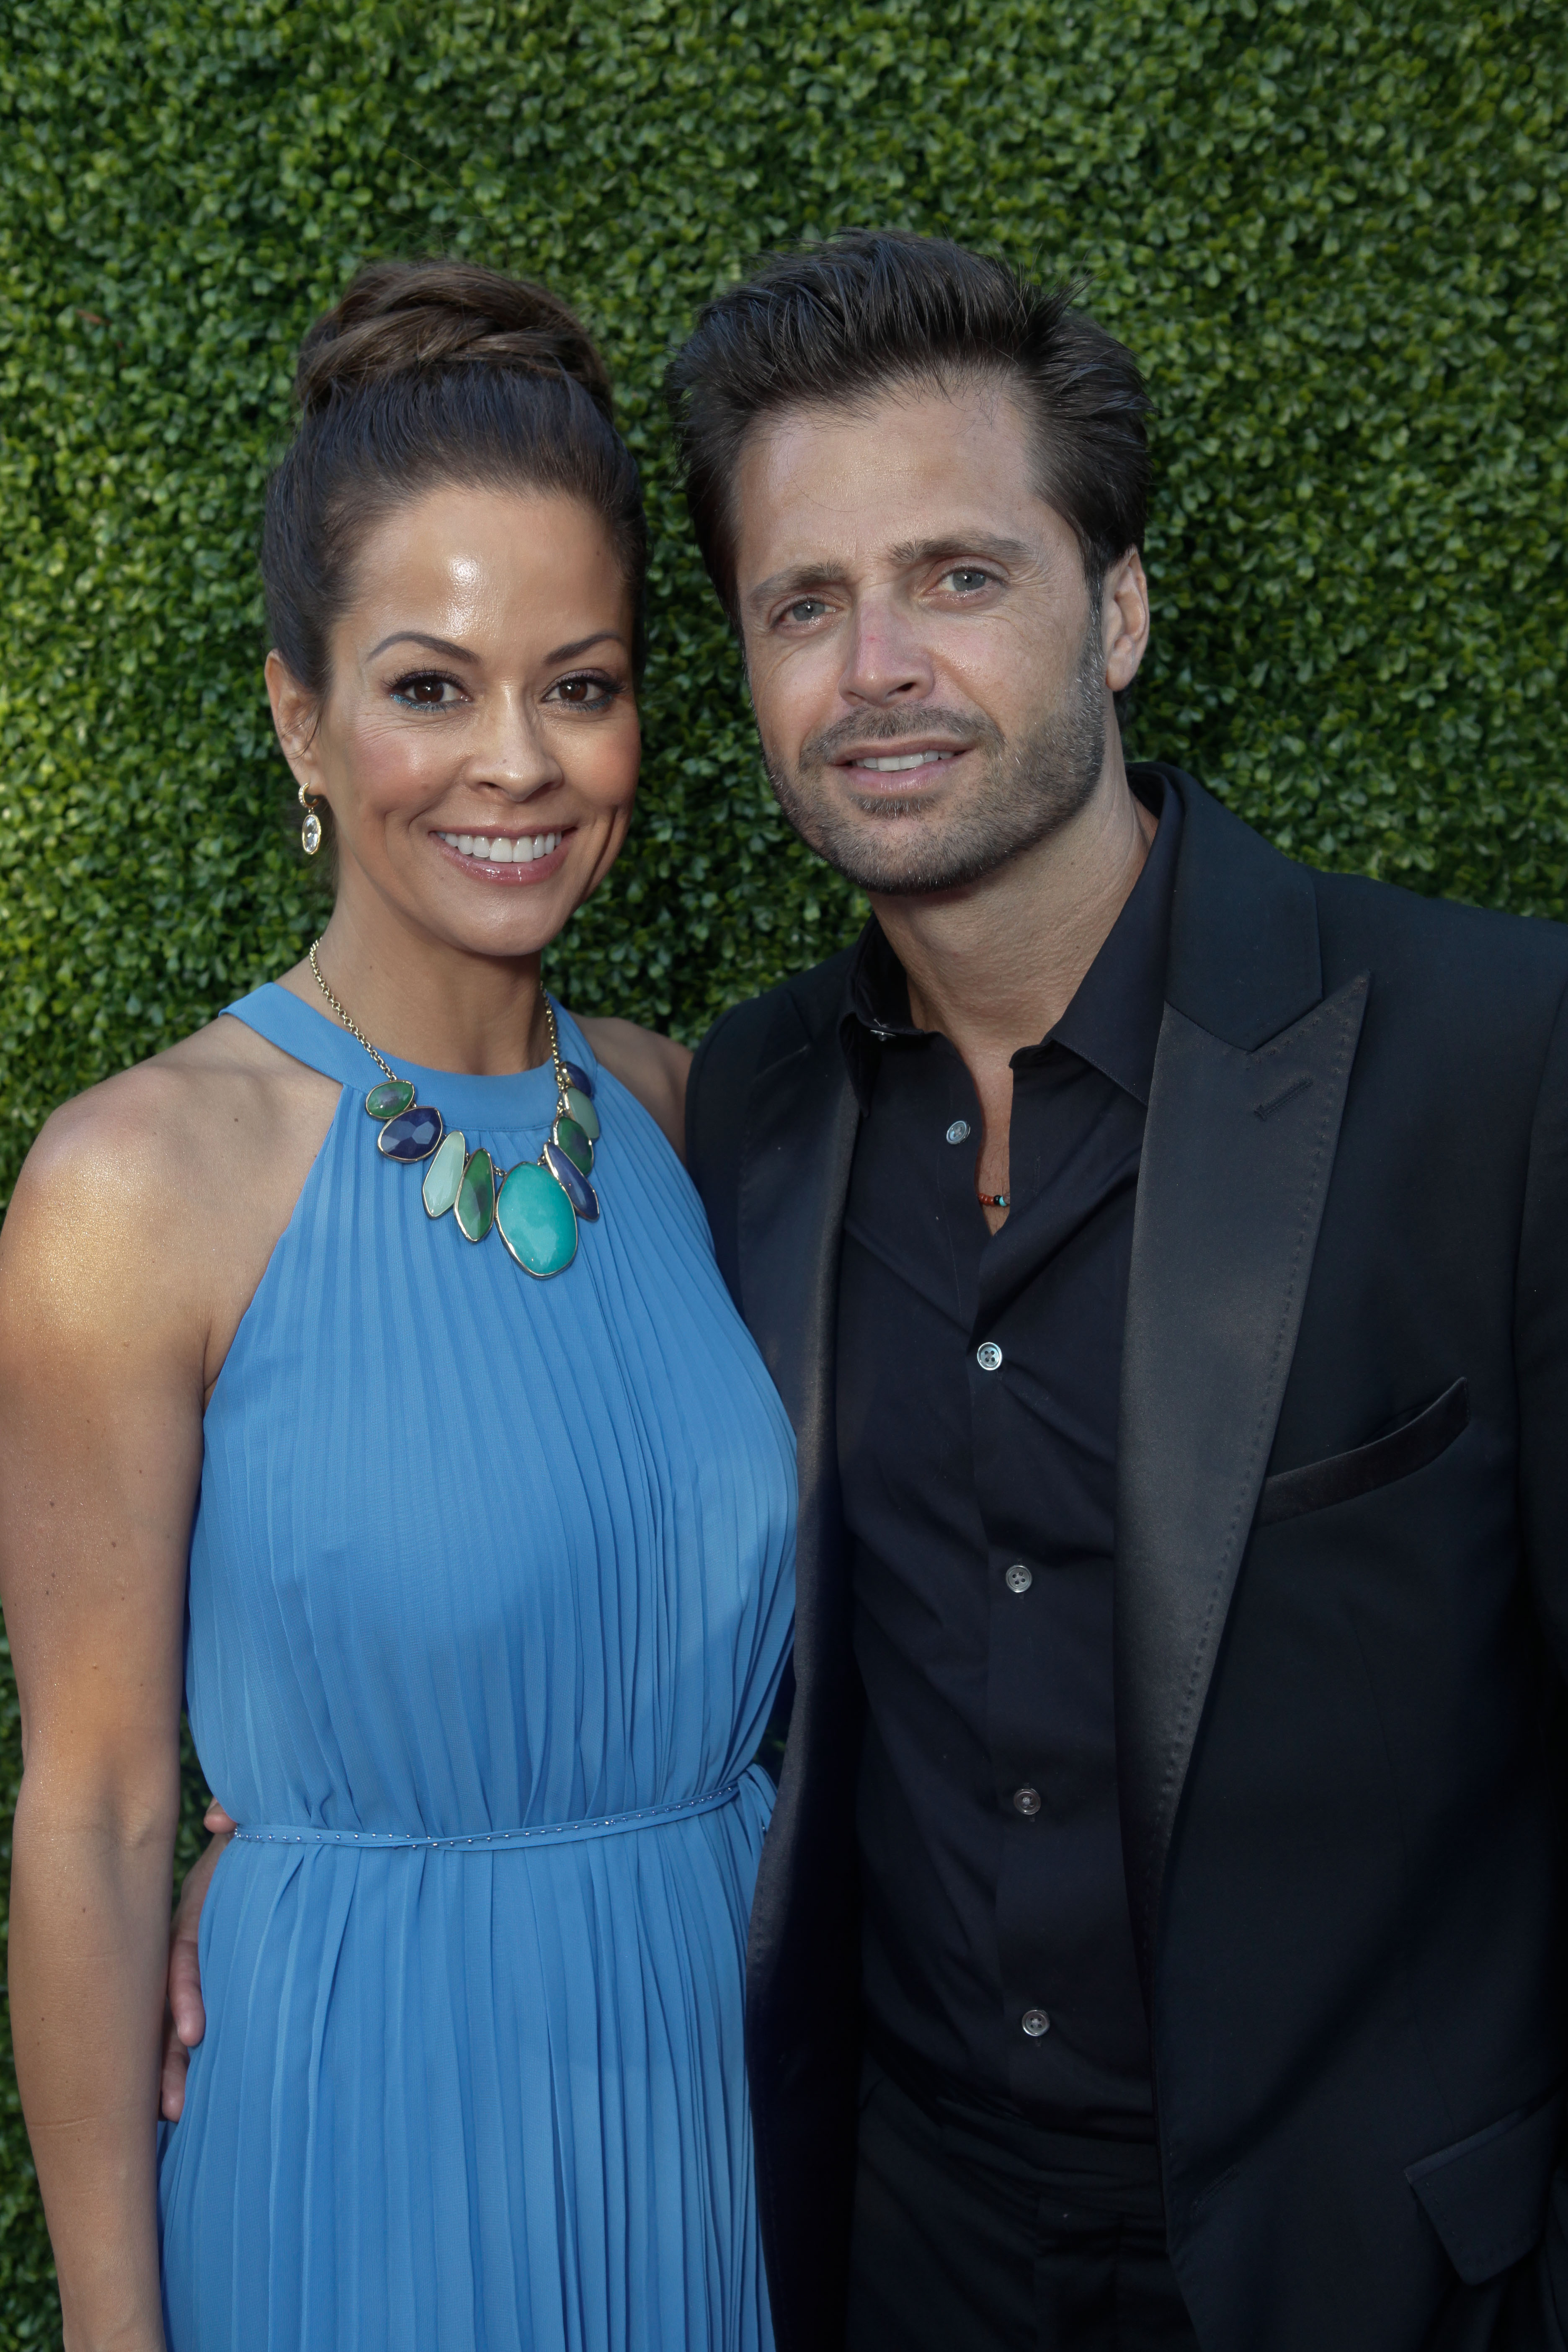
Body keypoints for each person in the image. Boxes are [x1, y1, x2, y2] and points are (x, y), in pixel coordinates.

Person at [664, 233, 1568, 2351]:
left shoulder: (1499, 1065)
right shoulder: (748, 1119)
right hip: (903, 2269)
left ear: (1122, 612)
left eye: (960, 576)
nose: (876, 663)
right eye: (806, 604)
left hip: (1398, 2287)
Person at [0, 259, 794, 2352]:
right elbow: (91, 1810)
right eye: (430, 686)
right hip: (366, 2147)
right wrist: (109, 2330)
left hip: (725, 2119)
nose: (518, 764)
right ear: (301, 715)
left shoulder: (678, 1113)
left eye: (585, 682)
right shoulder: (135, 1188)